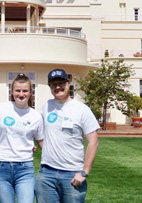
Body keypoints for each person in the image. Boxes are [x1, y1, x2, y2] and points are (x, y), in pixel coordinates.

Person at [38, 69, 98, 203]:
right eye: (54, 84)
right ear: (50, 87)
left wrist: (84, 172)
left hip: (72, 174)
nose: (58, 87)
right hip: (47, 172)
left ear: (68, 83)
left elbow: (93, 142)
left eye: (61, 83)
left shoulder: (82, 109)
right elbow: (39, 133)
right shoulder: (47, 106)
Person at [0, 74, 43, 203]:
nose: (21, 94)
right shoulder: (1, 108)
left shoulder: (36, 116)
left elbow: (41, 141)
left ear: (31, 92)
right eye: (18, 90)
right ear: (12, 91)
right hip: (1, 167)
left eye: (25, 91)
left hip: (25, 169)